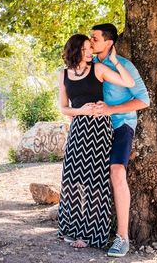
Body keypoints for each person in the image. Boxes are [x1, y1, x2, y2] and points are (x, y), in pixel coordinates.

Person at [57, 34, 135, 249]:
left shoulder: (98, 70)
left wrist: (116, 60)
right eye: (85, 49)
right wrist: (79, 111)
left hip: (99, 129)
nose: (90, 52)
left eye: (90, 48)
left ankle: (90, 235)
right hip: (78, 129)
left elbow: (128, 82)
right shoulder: (63, 75)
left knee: (94, 183)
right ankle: (71, 229)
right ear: (75, 51)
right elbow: (63, 108)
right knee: (72, 179)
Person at [90, 23, 150, 258]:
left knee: (116, 172)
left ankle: (122, 238)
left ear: (108, 42)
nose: (91, 41)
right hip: (96, 128)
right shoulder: (90, 65)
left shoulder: (124, 66)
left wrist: (112, 109)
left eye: (95, 38)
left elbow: (143, 100)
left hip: (121, 125)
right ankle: (90, 230)